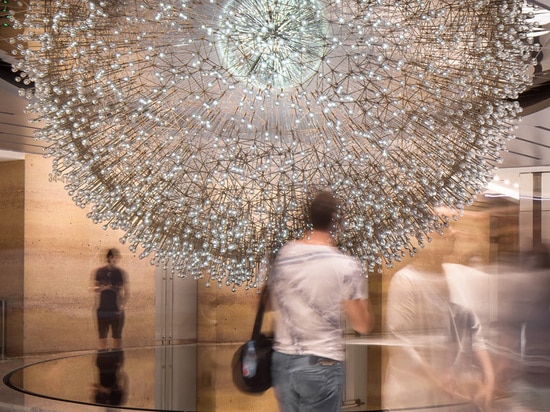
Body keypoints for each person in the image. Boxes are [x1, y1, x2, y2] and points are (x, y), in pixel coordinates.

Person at [268, 190, 374, 412]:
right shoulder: (344, 265)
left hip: (283, 363)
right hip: (321, 364)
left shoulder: (283, 255)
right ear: (337, 223)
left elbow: (268, 302)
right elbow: (362, 325)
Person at [384, 227, 495, 412]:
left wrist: (489, 382)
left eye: (451, 226)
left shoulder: (456, 276)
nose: (453, 232)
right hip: (411, 399)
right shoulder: (405, 280)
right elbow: (399, 344)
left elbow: (474, 331)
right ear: (424, 237)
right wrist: (437, 378)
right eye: (442, 228)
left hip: (446, 397)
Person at [91, 248, 129, 350]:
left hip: (116, 308)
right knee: (102, 336)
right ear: (110, 257)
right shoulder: (100, 271)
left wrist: (122, 305)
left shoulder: (120, 272)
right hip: (103, 309)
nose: (117, 260)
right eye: (115, 257)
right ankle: (104, 358)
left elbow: (126, 291)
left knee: (117, 336)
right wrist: (104, 287)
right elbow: (94, 288)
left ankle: (116, 358)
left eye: (118, 258)